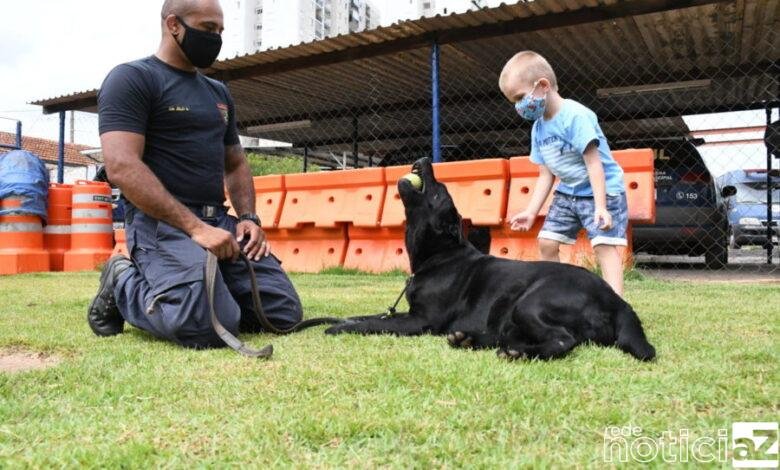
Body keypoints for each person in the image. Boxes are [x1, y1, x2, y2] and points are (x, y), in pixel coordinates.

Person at [87, 0, 303, 348]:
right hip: (161, 226)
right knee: (205, 326)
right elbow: (122, 166)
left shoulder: (218, 93)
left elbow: (235, 163)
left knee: (282, 315)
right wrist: (196, 228)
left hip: (218, 221)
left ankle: (212, 289)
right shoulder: (132, 78)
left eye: (220, 31)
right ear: (173, 24)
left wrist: (248, 218)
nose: (215, 39)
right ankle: (122, 279)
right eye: (207, 29)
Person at [499, 51, 628, 296]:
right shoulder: (538, 129)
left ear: (543, 85)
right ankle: (559, 297)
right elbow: (546, 175)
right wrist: (531, 212)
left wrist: (601, 206)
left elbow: (594, 164)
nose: (519, 107)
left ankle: (616, 305)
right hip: (569, 192)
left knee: (604, 245)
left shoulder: (575, 116)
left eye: (520, 97)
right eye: (514, 102)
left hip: (602, 190)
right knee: (547, 243)